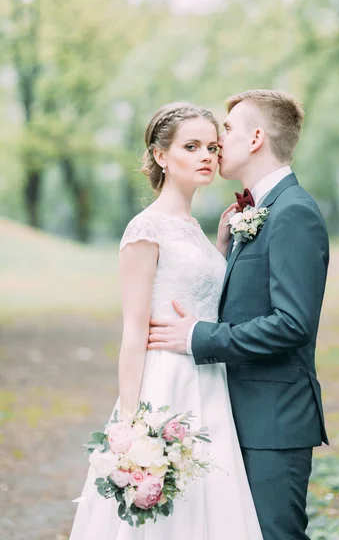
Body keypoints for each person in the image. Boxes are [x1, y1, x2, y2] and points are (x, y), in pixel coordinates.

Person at [69, 101, 263, 539]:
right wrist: (131, 425)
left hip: (210, 382)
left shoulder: (194, 226)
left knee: (211, 507)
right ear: (161, 155)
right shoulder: (145, 229)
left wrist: (219, 246)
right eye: (191, 146)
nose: (206, 157)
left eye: (212, 147)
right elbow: (134, 332)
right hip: (167, 386)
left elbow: (199, 294)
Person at [148, 89, 330, 540]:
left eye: (226, 131)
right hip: (233, 414)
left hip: (273, 420)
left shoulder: (293, 214)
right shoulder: (256, 212)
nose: (217, 141)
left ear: (254, 139)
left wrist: (198, 337)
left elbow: (292, 323)